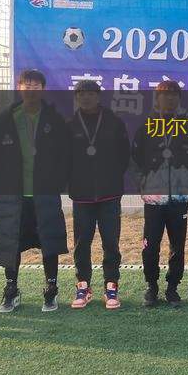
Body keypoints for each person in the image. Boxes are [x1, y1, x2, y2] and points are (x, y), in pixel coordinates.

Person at [0, 69, 70, 313]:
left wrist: (57, 181)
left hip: (44, 194)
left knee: (49, 240)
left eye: (36, 85)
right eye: (27, 85)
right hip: (13, 195)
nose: (31, 89)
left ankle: (51, 288)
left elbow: (65, 156)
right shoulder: (4, 119)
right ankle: (11, 289)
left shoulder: (55, 119)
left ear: (43, 89)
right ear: (19, 87)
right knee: (11, 241)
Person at [67, 80, 130, 310]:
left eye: (91, 93)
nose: (86, 97)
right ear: (76, 98)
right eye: (81, 94)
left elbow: (124, 155)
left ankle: (111, 286)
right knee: (81, 243)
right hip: (81, 196)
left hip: (109, 194)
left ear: (98, 96)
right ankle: (83, 286)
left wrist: (111, 177)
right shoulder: (70, 125)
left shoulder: (114, 122)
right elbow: (63, 159)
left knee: (111, 242)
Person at [132, 80, 188, 307]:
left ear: (179, 99)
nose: (169, 99)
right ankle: (152, 286)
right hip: (153, 199)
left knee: (178, 245)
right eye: (164, 95)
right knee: (150, 245)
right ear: (157, 99)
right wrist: (142, 183)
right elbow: (135, 160)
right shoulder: (146, 127)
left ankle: (172, 287)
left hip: (179, 199)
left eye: (174, 95)